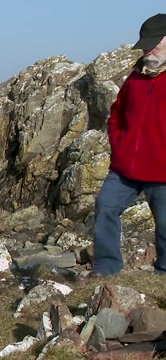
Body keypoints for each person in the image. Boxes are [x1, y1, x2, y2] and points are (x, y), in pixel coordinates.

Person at [93, 13, 166, 276]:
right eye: (146, 43)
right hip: (125, 169)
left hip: (162, 171)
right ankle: (106, 269)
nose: (148, 49)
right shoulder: (136, 77)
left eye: (154, 43)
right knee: (105, 207)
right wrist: (119, 143)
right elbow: (117, 113)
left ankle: (163, 275)